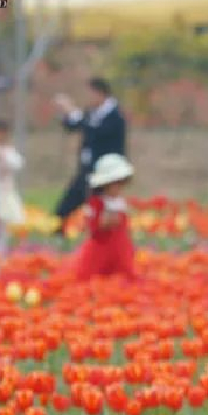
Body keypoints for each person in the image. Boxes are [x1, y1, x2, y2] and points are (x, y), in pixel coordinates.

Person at [53, 78, 126, 236]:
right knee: (72, 198)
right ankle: (60, 228)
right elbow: (75, 126)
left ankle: (102, 233)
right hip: (87, 166)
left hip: (107, 170)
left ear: (100, 93)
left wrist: (73, 111)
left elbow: (97, 131)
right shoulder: (92, 112)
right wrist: (66, 113)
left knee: (102, 203)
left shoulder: (115, 115)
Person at [73, 153, 136, 281]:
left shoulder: (120, 202)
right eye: (116, 183)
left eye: (122, 183)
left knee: (122, 276)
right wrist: (105, 222)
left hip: (119, 248)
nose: (119, 187)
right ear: (105, 184)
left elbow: (125, 226)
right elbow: (93, 227)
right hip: (101, 249)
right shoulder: (97, 203)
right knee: (96, 276)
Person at [0, 120, 25, 258]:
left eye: (1, 133)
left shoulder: (8, 151)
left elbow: (17, 164)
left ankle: (0, 253)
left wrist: (3, 156)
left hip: (4, 193)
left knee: (2, 227)